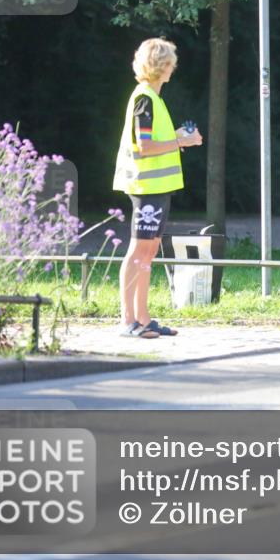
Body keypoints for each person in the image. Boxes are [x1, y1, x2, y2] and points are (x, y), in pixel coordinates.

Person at [113, 38, 203, 339]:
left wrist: (177, 135)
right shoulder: (145, 99)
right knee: (139, 250)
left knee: (148, 251)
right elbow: (145, 148)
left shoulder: (153, 98)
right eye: (169, 63)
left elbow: (152, 142)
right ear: (162, 66)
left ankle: (143, 317)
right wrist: (181, 141)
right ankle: (128, 321)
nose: (172, 68)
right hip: (146, 186)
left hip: (157, 187)